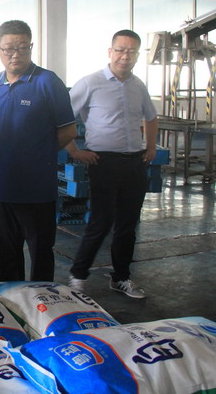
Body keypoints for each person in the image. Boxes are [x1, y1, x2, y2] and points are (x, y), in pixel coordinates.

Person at [66, 29, 158, 299]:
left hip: (134, 162)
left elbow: (151, 117)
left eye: (131, 51)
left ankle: (121, 277)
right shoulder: (90, 83)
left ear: (137, 55)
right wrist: (74, 150)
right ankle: (78, 277)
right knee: (101, 221)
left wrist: (151, 146)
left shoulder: (138, 85)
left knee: (128, 224)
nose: (125, 56)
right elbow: (63, 117)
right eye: (120, 50)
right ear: (110, 52)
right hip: (103, 161)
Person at [0, 20, 77, 282]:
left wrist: (39, 152)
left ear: (31, 47)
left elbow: (69, 130)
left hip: (37, 188)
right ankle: (10, 299)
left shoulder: (48, 82)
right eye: (9, 48)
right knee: (6, 252)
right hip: (2, 186)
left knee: (40, 252)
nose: (16, 54)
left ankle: (41, 300)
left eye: (23, 47)